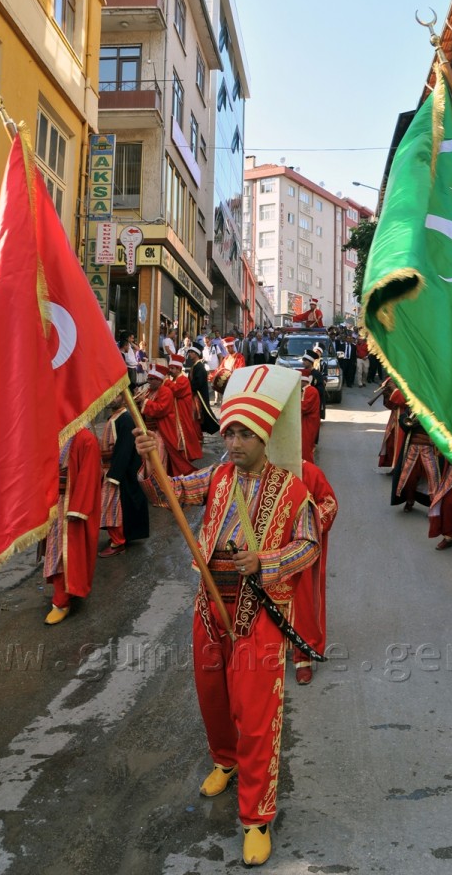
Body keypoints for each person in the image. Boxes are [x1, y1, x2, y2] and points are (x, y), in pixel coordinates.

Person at [135, 365, 321, 867]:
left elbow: (308, 546)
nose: (233, 442)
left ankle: (257, 817)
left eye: (244, 434)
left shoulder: (292, 488)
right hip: (208, 606)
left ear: (264, 437)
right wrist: (150, 462)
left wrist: (266, 562)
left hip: (258, 613)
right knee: (213, 698)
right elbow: (167, 495)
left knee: (257, 718)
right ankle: (225, 760)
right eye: (229, 431)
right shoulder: (216, 477)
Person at [41, 426, 101, 624]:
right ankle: (65, 593)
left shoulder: (86, 439)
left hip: (70, 505)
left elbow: (89, 476)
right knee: (54, 552)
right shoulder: (56, 436)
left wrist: (77, 508)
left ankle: (61, 601)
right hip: (54, 504)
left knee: (64, 554)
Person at [292, 459, 338, 684]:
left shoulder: (306, 470)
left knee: (304, 602)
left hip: (298, 549)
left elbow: (329, 503)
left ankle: (303, 657)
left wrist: (303, 524)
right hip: (261, 551)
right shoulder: (248, 471)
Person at [99, 393, 150, 557]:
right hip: (110, 468)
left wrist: (114, 475)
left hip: (118, 472)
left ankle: (118, 542)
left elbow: (124, 450)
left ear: (123, 397)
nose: (112, 398)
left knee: (112, 508)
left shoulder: (125, 418)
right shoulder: (114, 417)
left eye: (116, 395)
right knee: (113, 507)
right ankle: (119, 537)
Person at [141, 363, 195, 476]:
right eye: (148, 379)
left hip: (161, 431)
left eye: (151, 379)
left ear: (159, 380)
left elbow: (161, 409)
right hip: (149, 431)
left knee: (158, 458)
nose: (149, 381)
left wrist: (144, 402)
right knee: (146, 458)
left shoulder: (166, 391)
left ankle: (160, 482)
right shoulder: (149, 391)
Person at [391, 410, 441, 512]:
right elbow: (403, 421)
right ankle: (409, 501)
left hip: (429, 449)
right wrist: (410, 422)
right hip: (413, 448)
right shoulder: (413, 406)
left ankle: (433, 506)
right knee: (409, 478)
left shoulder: (437, 407)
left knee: (433, 478)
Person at [168, 353, 203, 464]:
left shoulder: (182, 379)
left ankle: (188, 454)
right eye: (170, 368)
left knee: (185, 430)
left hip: (182, 411)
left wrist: (166, 382)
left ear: (178, 369)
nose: (170, 370)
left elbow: (176, 391)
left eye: (172, 368)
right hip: (178, 410)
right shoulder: (176, 379)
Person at [186, 345, 220, 436]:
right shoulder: (195, 366)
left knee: (199, 415)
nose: (189, 354)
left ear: (197, 354)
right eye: (189, 352)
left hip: (198, 396)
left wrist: (188, 388)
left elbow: (198, 383)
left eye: (191, 352)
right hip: (194, 395)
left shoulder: (199, 367)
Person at [378, 378, 407, 470]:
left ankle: (400, 469)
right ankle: (396, 467)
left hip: (408, 416)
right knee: (392, 442)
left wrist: (394, 390)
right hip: (397, 414)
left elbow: (405, 400)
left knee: (403, 443)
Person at [300, 374, 321, 463]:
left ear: (304, 381)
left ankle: (308, 468)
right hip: (307, 421)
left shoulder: (311, 391)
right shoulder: (306, 390)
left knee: (306, 446)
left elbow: (304, 407)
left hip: (309, 422)